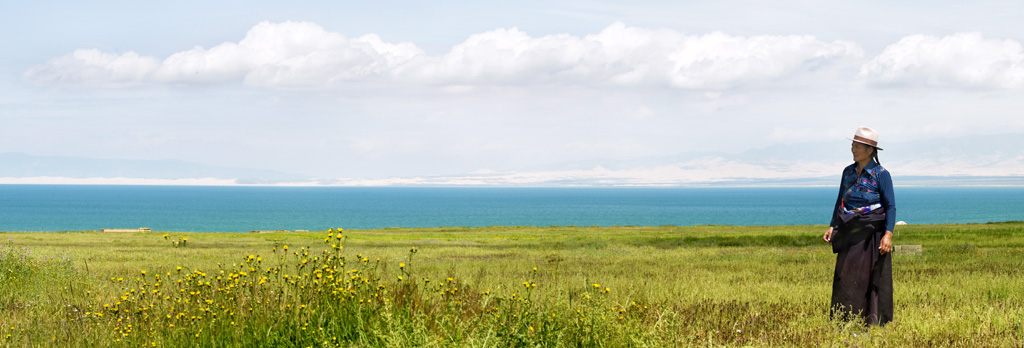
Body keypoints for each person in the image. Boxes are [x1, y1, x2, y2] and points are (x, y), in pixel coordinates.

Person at [822, 126, 896, 326]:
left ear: (870, 150)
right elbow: (841, 201)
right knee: (844, 276)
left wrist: (887, 235)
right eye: (852, 145)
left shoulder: (881, 174)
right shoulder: (847, 172)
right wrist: (832, 226)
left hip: (872, 235)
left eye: (857, 146)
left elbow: (890, 206)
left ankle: (871, 321)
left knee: (869, 278)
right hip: (848, 231)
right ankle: (844, 319)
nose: (853, 150)